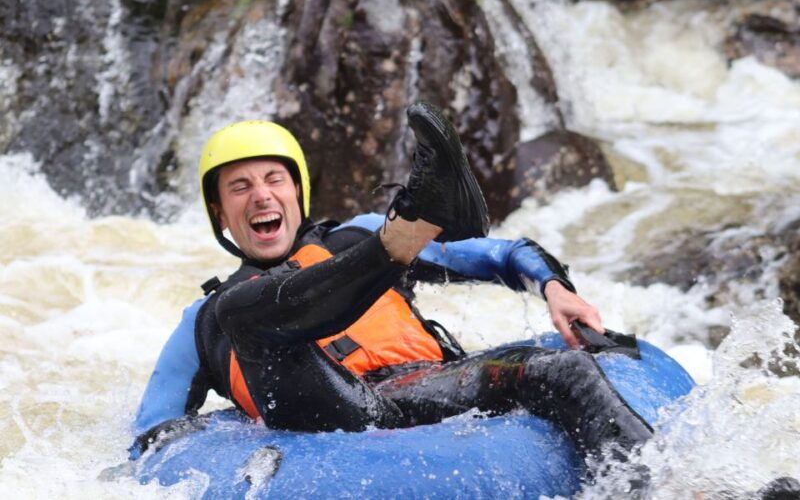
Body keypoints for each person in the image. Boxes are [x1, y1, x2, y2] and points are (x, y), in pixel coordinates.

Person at [131, 102, 652, 473]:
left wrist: (554, 287)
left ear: (297, 190)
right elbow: (153, 437)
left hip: (421, 386)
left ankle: (657, 486)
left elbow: (503, 254)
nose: (261, 196)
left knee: (562, 369)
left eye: (274, 179)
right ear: (219, 211)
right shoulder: (205, 318)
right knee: (243, 313)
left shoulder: (355, 233)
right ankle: (398, 245)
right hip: (326, 414)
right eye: (240, 187)